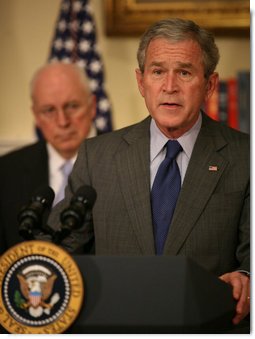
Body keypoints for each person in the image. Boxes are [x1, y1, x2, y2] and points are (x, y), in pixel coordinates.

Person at [46, 19, 250, 330]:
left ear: (209, 84)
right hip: (114, 328)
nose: (170, 87)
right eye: (157, 72)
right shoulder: (97, 156)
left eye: (184, 72)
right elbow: (58, 250)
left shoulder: (244, 156)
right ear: (142, 83)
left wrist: (247, 279)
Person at [0, 62, 96, 254]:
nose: (62, 121)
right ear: (36, 115)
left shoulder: (122, 162)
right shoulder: (5, 172)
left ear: (92, 106)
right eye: (49, 110)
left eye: (72, 106)